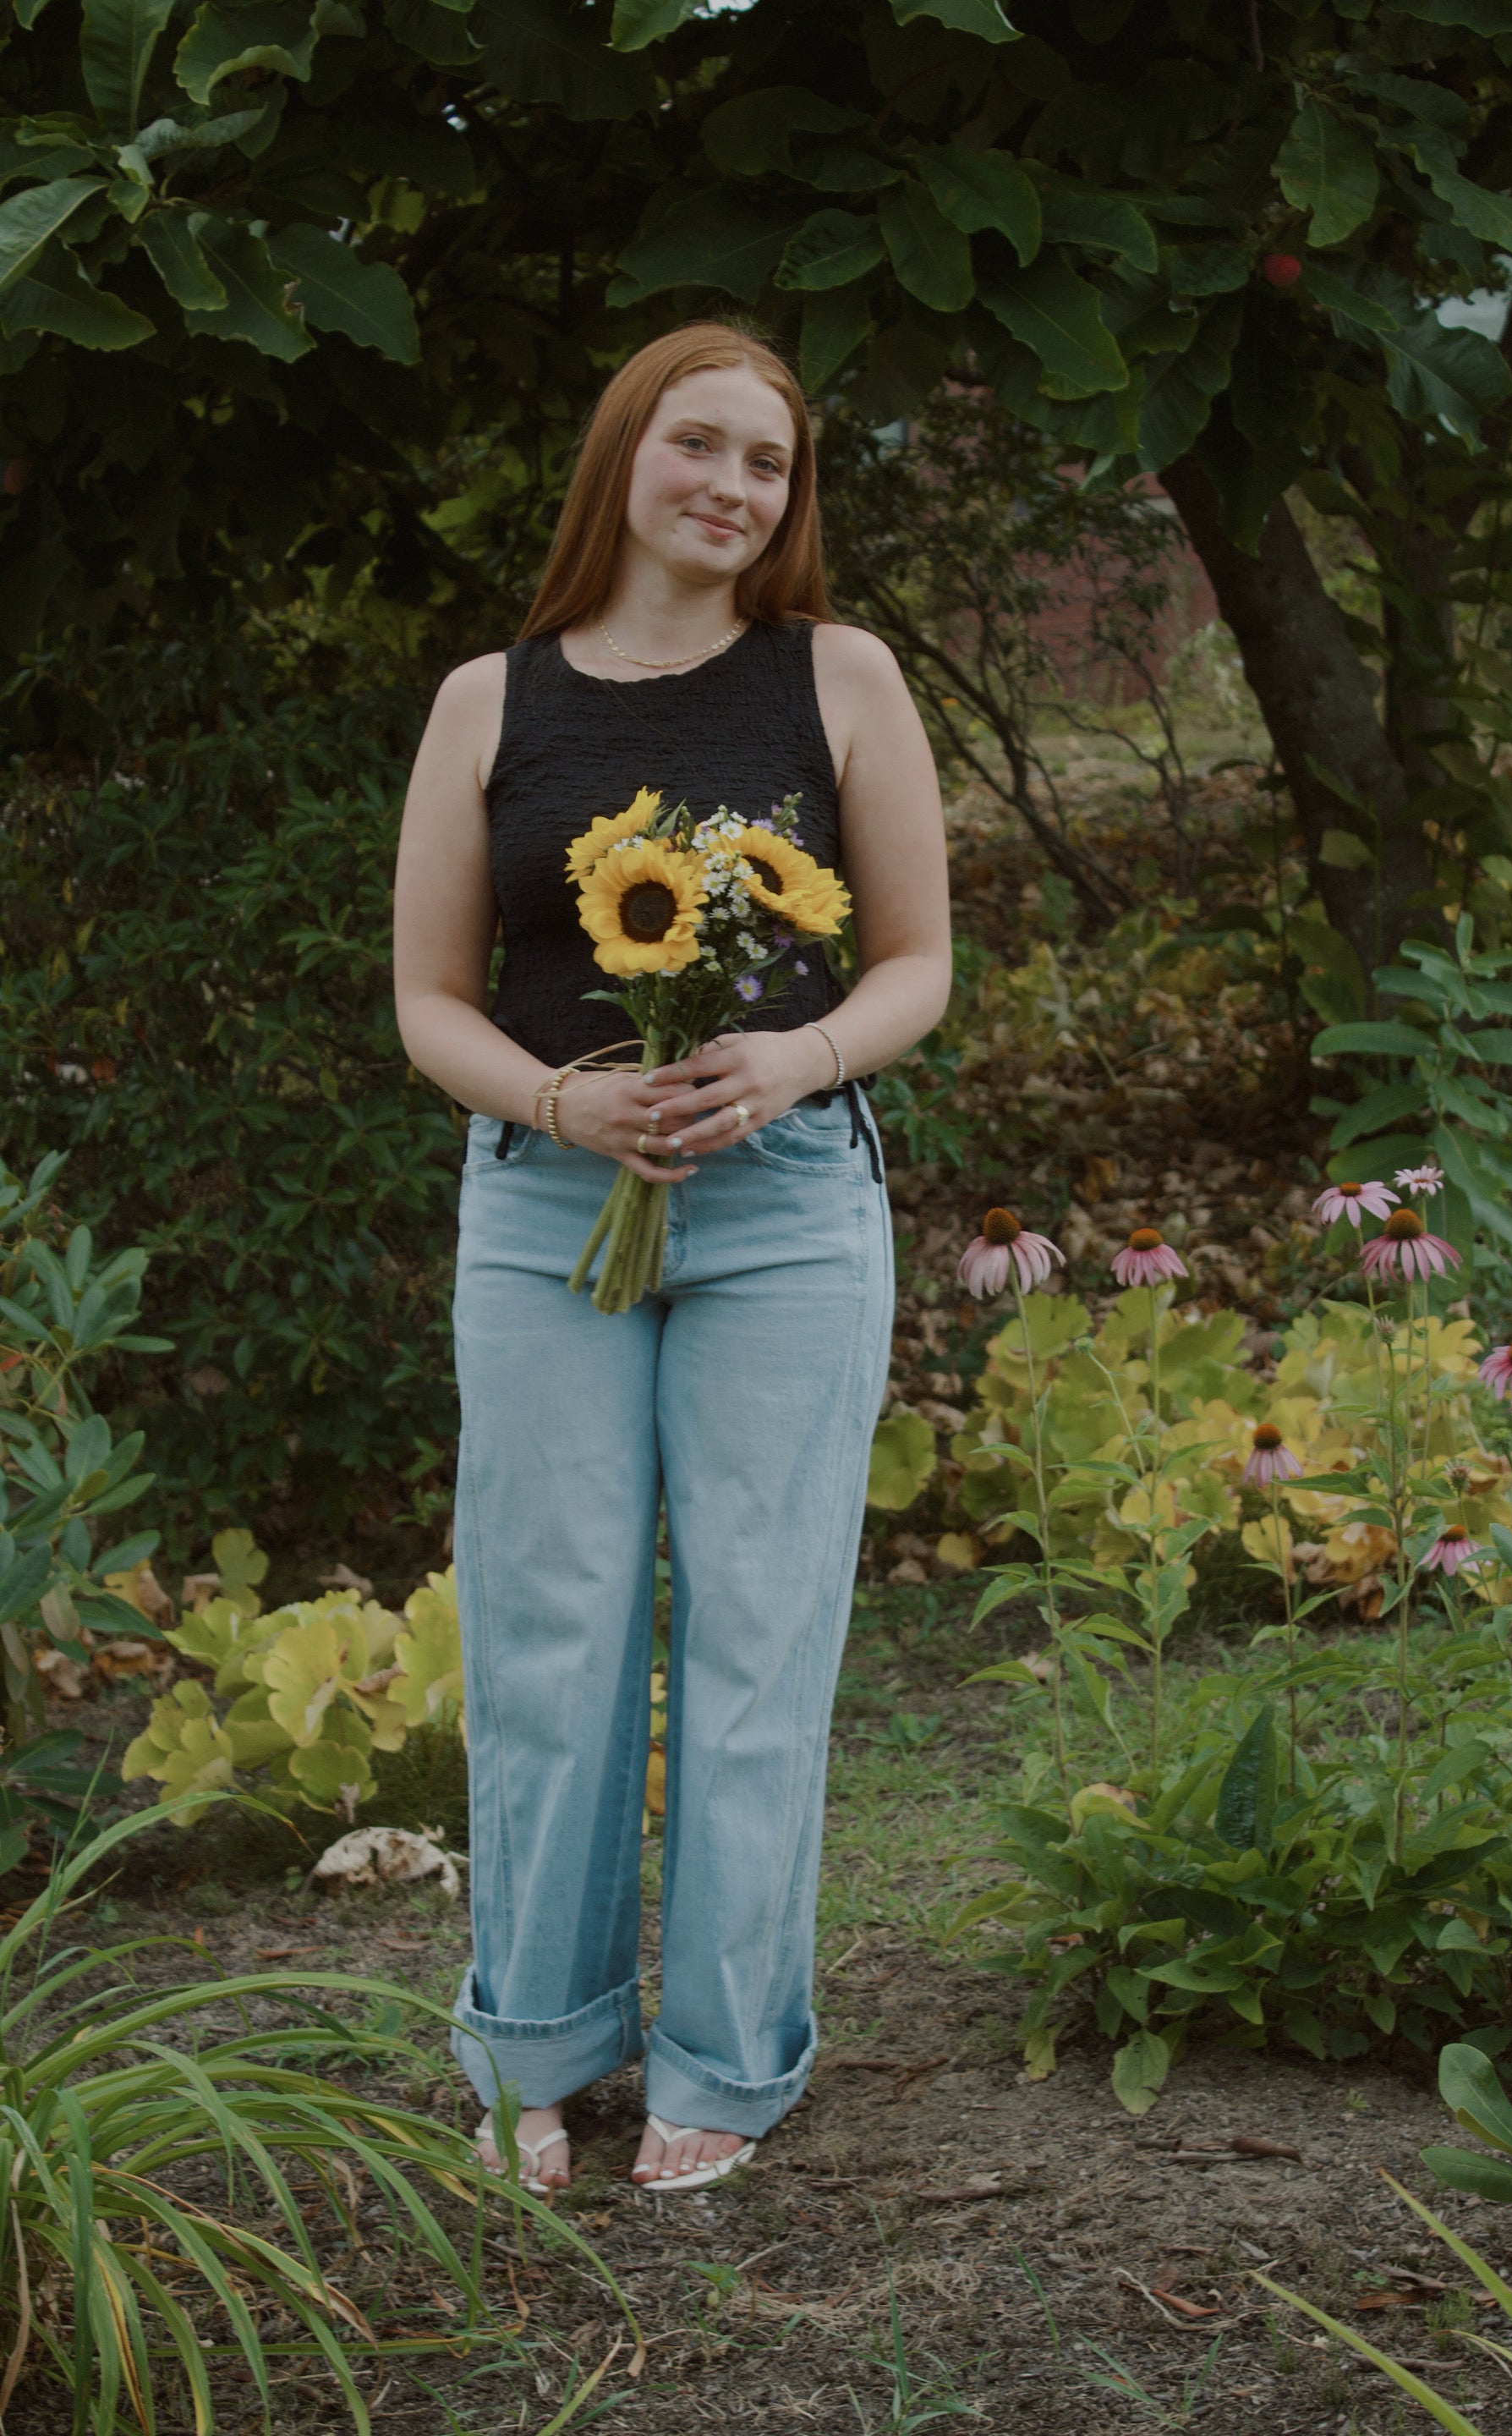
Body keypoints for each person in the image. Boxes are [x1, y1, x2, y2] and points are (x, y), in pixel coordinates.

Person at [392, 321, 950, 2195]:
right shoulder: (492, 699)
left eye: (770, 466)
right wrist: (566, 1111)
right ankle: (533, 2049)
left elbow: (915, 967)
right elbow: (428, 1002)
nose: (733, 488)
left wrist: (789, 1056)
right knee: (551, 1636)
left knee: (758, 1638)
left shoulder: (840, 679)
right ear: (625, 452)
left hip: (790, 1207)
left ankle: (723, 2054)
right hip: (550, 1206)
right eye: (699, 446)